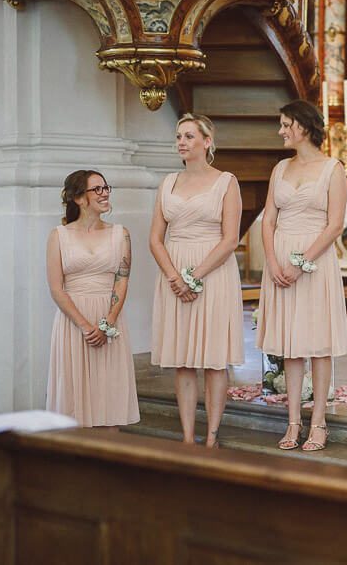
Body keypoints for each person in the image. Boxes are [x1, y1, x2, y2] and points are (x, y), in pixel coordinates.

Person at [257, 100, 347, 452]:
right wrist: (273, 261)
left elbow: (335, 224)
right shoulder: (280, 168)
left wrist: (302, 262)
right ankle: (293, 421)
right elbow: (268, 220)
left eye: (285, 124)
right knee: (290, 347)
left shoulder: (332, 169)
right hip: (279, 262)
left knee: (317, 345)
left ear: (303, 126)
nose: (281, 131)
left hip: (315, 263)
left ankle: (319, 421)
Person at [149, 113, 244, 448]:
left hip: (213, 273)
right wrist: (176, 277)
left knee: (213, 359)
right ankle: (188, 436)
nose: (181, 143)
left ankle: (212, 436)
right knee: (183, 360)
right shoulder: (167, 183)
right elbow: (155, 239)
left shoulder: (226, 182)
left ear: (207, 141)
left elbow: (230, 239)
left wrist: (195, 276)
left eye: (189, 136)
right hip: (174, 274)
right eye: (178, 137)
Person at [45, 170, 139, 428]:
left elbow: (122, 279)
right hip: (73, 322)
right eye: (97, 189)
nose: (105, 193)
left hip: (109, 320)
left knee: (110, 396)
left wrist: (108, 322)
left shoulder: (121, 234)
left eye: (106, 187)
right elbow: (56, 289)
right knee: (73, 399)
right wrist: (86, 327)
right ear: (78, 198)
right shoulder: (58, 236)